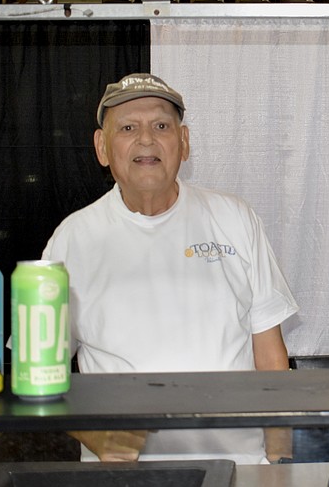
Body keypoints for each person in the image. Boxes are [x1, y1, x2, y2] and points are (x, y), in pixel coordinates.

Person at [42, 73, 299, 463]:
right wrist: (94, 437)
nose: (146, 139)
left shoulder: (235, 218)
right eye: (128, 127)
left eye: (161, 126)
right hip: (122, 478)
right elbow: (41, 373)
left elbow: (270, 357)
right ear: (102, 148)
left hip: (237, 469)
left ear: (184, 142)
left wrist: (280, 463)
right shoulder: (71, 240)